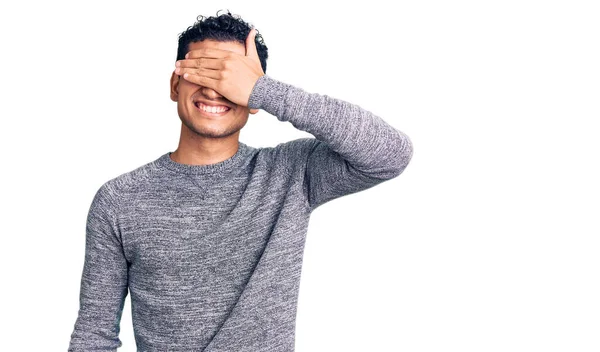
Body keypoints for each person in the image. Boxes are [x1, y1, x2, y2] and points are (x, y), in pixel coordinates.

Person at [68, 9, 413, 352]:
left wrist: (265, 90)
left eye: (230, 79)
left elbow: (390, 154)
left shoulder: (290, 173)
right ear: (175, 84)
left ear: (253, 99)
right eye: (203, 71)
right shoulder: (119, 199)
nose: (215, 90)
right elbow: (93, 336)